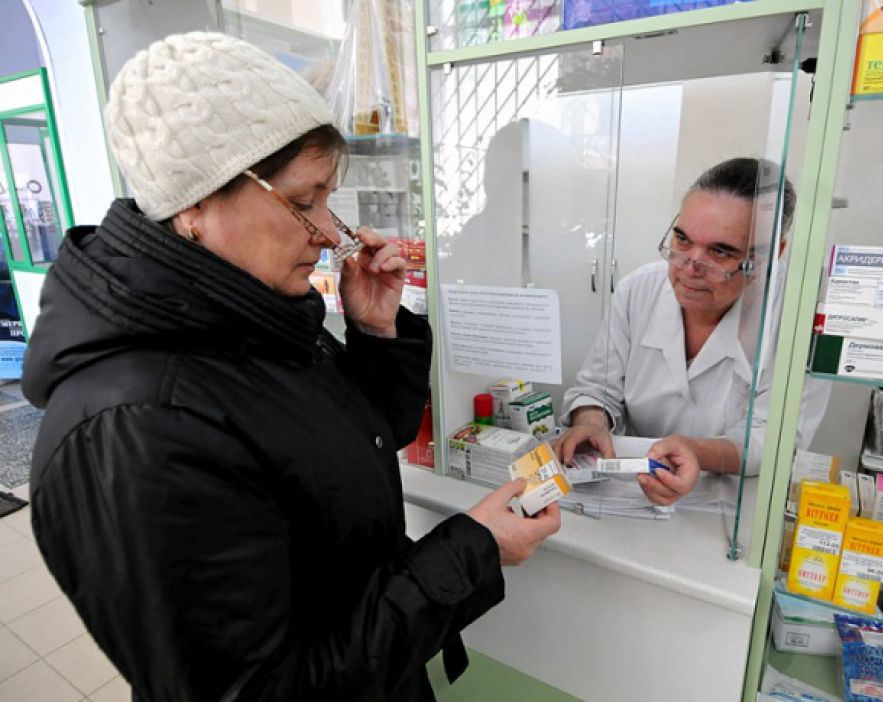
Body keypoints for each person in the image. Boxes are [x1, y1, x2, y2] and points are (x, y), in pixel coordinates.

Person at [23, 32, 558, 701]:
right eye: (303, 202)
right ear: (195, 205)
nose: (331, 232)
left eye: (328, 200)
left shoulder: (248, 319)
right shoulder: (139, 430)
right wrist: (472, 551)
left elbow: (361, 442)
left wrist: (375, 331)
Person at [554, 158, 829, 506]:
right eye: (682, 240)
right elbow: (598, 388)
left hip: (730, 506)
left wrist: (697, 452)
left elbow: (773, 441)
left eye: (720, 251)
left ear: (774, 254)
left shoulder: (797, 320)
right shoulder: (638, 290)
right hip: (634, 492)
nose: (689, 267)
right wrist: (592, 422)